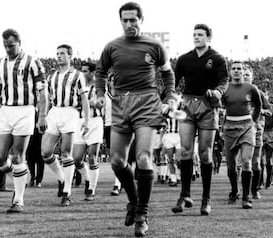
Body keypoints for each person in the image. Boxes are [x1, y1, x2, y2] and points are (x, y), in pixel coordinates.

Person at [95, 2, 176, 236]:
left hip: (147, 102)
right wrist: (100, 96)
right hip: (121, 103)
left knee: (143, 157)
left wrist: (169, 97)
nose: (129, 24)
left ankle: (142, 214)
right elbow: (100, 73)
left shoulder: (155, 45)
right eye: (125, 20)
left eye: (133, 20)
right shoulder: (112, 47)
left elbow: (168, 74)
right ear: (120, 21)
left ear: (142, 20)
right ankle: (133, 200)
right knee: (117, 161)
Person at [0, 28, 45, 213]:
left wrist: (42, 115)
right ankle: (21, 175)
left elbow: (42, 91)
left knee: (18, 156)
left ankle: (18, 200)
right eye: (5, 46)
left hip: (25, 110)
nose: (8, 49)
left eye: (11, 45)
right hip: (5, 111)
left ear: (19, 43)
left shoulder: (32, 62)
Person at [172, 23, 228, 216]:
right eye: (194, 34)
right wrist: (171, 96)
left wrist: (218, 92)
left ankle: (206, 199)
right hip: (187, 104)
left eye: (200, 35)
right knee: (185, 150)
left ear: (209, 37)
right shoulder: (184, 59)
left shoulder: (217, 58)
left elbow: (224, 81)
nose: (196, 37)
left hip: (207, 106)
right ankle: (184, 195)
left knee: (205, 153)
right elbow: (172, 81)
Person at [38, 44, 90, 207]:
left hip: (70, 112)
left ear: (70, 56)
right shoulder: (51, 77)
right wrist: (44, 116)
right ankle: (62, 178)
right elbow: (46, 98)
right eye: (57, 53)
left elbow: (84, 100)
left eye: (62, 54)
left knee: (66, 153)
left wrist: (86, 120)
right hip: (54, 112)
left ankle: (67, 192)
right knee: (45, 152)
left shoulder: (78, 75)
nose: (59, 56)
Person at [222, 61, 261, 209]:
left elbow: (258, 106)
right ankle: (234, 191)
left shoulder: (251, 88)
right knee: (231, 166)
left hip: (247, 127)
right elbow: (220, 107)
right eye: (234, 69)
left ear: (243, 71)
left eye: (239, 69)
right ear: (230, 72)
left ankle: (246, 197)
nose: (237, 71)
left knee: (246, 161)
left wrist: (253, 121)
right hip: (230, 128)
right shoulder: (225, 88)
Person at [72, 61, 103, 201]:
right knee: (76, 159)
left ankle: (91, 189)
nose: (83, 73)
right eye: (82, 70)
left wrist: (86, 102)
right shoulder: (77, 85)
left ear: (92, 72)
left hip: (95, 122)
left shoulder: (99, 86)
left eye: (85, 71)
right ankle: (87, 178)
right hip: (79, 122)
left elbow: (101, 103)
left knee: (92, 156)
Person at [243, 65, 271, 199]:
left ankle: (254, 190)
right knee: (238, 163)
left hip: (255, 129)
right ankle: (238, 190)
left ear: (252, 77)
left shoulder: (258, 92)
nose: (244, 77)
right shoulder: (232, 91)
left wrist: (262, 111)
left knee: (254, 161)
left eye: (247, 75)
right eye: (243, 74)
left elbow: (269, 110)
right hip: (238, 129)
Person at [27, 110, 45, 188]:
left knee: (40, 161)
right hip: (30, 138)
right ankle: (32, 177)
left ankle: (38, 180)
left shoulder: (41, 113)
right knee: (30, 161)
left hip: (39, 139)